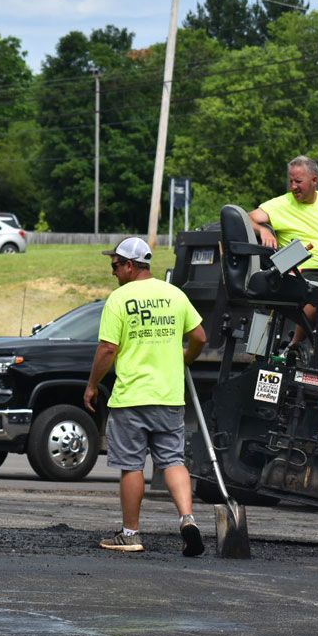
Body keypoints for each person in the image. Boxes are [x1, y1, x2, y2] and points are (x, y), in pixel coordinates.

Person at [84, 238, 208, 556]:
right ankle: (188, 519)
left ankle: (130, 534)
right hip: (169, 395)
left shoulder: (119, 299)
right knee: (173, 461)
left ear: (129, 265)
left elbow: (108, 348)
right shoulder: (174, 295)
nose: (112, 272)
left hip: (132, 397)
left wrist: (92, 385)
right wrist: (187, 358)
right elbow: (199, 336)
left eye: (115, 266)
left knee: (132, 466)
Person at [248, 155, 318, 349]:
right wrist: (263, 229)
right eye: (290, 181)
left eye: (298, 181)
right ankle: (295, 344)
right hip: (303, 271)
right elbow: (248, 218)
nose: (293, 186)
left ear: (314, 180)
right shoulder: (281, 204)